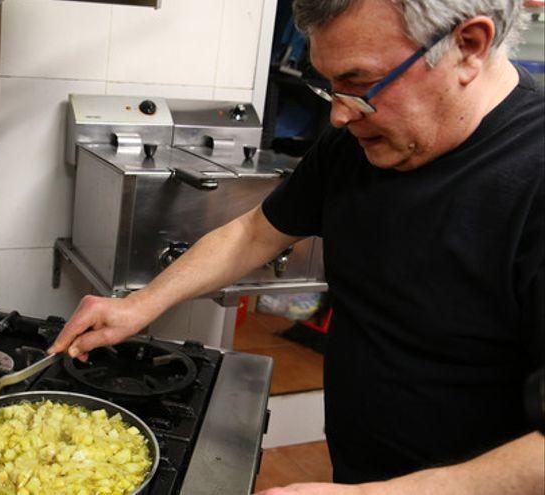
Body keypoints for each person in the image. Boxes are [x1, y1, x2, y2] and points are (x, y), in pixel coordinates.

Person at [49, 0, 545, 492]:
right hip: (360, 468)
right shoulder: (357, 141)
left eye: (359, 83)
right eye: (329, 85)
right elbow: (255, 232)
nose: (339, 115)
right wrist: (139, 305)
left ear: (468, 47)